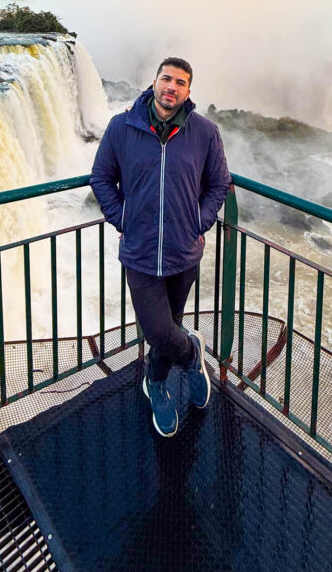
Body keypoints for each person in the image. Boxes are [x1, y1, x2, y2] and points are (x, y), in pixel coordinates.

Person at [90, 57, 231, 437]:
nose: (172, 86)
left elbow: (219, 184)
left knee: (169, 326)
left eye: (180, 82)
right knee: (159, 330)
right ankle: (191, 356)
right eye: (166, 78)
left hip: (183, 252)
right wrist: (123, 219)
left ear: (188, 91)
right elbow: (101, 177)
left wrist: (198, 222)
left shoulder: (204, 132)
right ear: (153, 82)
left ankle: (155, 382)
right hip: (139, 251)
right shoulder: (122, 127)